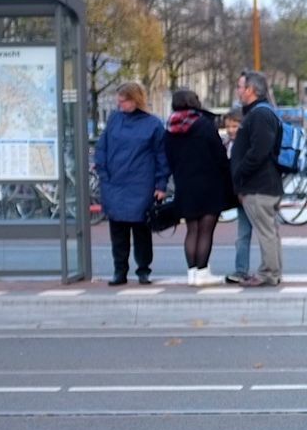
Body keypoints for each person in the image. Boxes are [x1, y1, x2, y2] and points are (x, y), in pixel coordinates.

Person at [94, 81, 169, 286]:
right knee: (118, 230)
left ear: (135, 100)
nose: (120, 105)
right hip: (115, 182)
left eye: (123, 101)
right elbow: (103, 147)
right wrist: (103, 171)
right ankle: (120, 270)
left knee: (141, 230)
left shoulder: (153, 124)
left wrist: (160, 185)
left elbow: (162, 156)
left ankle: (143, 269)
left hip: (141, 183)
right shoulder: (114, 120)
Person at [164, 90, 235, 286]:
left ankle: (192, 272)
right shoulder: (203, 124)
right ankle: (203, 272)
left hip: (184, 184)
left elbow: (168, 157)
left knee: (191, 229)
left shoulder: (170, 127)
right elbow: (219, 154)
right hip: (208, 182)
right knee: (206, 230)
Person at [230, 71, 283, 287]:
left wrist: (239, 172)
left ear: (251, 90)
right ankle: (273, 271)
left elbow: (259, 150)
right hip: (265, 183)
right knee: (269, 230)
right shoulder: (264, 113)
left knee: (266, 231)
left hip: (259, 186)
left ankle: (268, 273)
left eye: (240, 87)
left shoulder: (259, 115)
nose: (238, 91)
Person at [221, 108, 254, 285]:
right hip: (239, 195)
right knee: (243, 234)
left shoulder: (245, 144)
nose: (231, 129)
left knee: (265, 234)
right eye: (228, 126)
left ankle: (271, 269)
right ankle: (241, 270)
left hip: (250, 193)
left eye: (235, 125)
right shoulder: (226, 144)